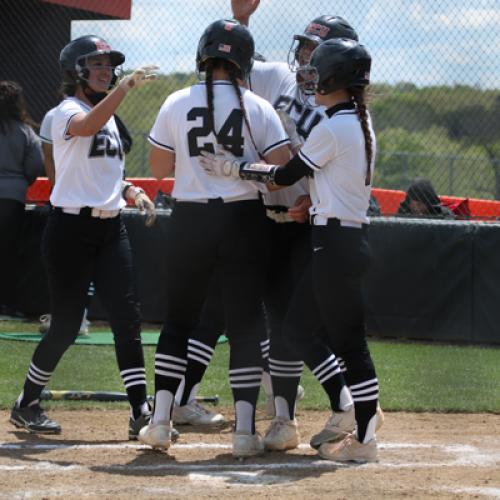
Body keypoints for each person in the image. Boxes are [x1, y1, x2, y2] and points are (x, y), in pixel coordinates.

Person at [200, 38, 381, 462]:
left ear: (337, 77)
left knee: (348, 345)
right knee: (301, 330)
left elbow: (282, 175)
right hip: (339, 238)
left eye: (319, 72)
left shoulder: (335, 125)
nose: (311, 78)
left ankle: (365, 438)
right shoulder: (353, 118)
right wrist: (313, 201)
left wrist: (233, 167)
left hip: (336, 244)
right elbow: (325, 179)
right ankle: (358, 425)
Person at [138, 19, 290, 458]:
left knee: (179, 322)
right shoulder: (258, 105)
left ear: (203, 55)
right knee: (245, 326)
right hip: (244, 218)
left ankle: (161, 422)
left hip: (189, 217)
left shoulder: (175, 101)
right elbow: (281, 171)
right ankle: (244, 432)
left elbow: (161, 170)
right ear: (243, 60)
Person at [9, 35, 158, 439]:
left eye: (110, 66)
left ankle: (140, 412)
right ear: (76, 72)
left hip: (110, 228)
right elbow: (86, 127)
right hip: (70, 230)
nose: (107, 72)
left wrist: (129, 189)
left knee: (128, 320)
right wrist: (125, 90)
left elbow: (101, 171)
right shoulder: (65, 112)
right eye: (97, 65)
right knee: (66, 325)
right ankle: (27, 403)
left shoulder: (107, 114)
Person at [0, 81, 45, 319]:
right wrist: (22, 180)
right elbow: (36, 164)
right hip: (11, 198)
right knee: (7, 252)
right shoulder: (25, 131)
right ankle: (5, 305)